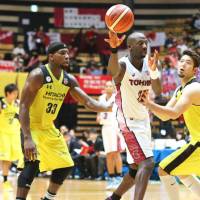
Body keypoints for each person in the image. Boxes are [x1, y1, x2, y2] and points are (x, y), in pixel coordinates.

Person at [16, 42, 112, 200]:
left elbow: (88, 102)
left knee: (66, 164)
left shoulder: (68, 79)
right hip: (31, 126)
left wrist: (110, 107)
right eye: (62, 53)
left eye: (68, 53)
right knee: (32, 164)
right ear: (51, 56)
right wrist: (27, 137)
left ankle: (48, 198)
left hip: (49, 127)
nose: (67, 56)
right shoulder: (38, 75)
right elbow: (24, 106)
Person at [104, 31, 162, 200]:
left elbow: (158, 91)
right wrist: (114, 50)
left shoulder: (150, 64)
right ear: (129, 47)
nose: (145, 46)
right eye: (140, 43)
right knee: (148, 163)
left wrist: (153, 71)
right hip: (127, 121)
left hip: (144, 120)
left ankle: (114, 197)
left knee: (136, 167)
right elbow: (112, 72)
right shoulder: (122, 65)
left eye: (146, 43)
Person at [141, 50, 200, 199]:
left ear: (194, 70)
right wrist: (148, 105)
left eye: (188, 63)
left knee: (164, 169)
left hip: (199, 143)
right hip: (195, 141)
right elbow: (165, 116)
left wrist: (149, 103)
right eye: (181, 61)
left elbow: (173, 113)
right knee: (181, 171)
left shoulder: (193, 88)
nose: (183, 64)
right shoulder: (180, 90)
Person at [97, 80, 123, 190]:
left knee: (115, 153)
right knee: (108, 154)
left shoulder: (117, 97)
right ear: (104, 88)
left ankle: (119, 178)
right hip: (105, 128)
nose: (108, 87)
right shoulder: (101, 98)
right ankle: (111, 178)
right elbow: (98, 113)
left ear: (113, 88)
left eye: (110, 86)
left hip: (115, 127)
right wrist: (98, 116)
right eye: (106, 86)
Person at [0, 84, 22, 191]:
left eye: (17, 93)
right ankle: (5, 181)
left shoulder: (17, 103)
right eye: (14, 93)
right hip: (3, 135)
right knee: (5, 159)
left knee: (17, 157)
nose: (16, 95)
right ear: (8, 93)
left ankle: (21, 177)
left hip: (15, 135)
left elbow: (21, 117)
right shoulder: (1, 103)